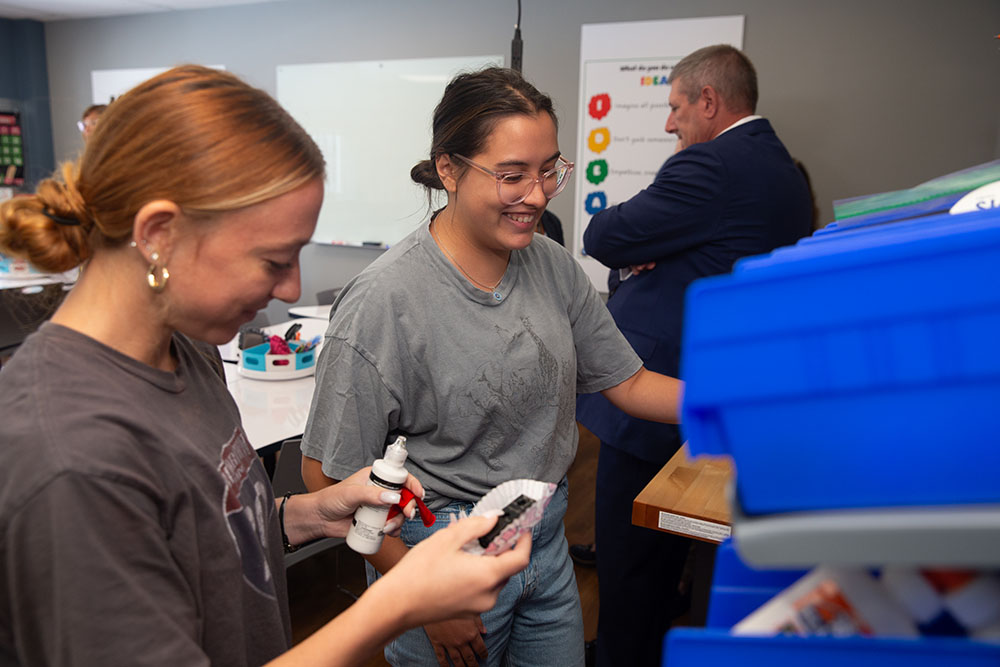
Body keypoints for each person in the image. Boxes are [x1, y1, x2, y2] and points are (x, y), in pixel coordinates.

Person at [0, 65, 532, 667]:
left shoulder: (189, 351)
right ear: (159, 234)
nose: (293, 285)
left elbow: (204, 535)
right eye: (273, 259)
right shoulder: (70, 456)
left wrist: (309, 515)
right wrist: (400, 602)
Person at [300, 67, 683, 667]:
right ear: (448, 169)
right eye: (512, 175)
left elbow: (628, 382)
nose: (538, 194)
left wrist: (738, 399)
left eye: (549, 169)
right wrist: (424, 598)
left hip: (544, 540)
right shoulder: (385, 302)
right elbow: (325, 477)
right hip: (437, 553)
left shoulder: (552, 267)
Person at [574, 44, 814, 666]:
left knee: (629, 568)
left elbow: (601, 233)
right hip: (712, 380)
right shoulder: (782, 169)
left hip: (653, 396)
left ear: (709, 101)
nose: (669, 123)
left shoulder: (710, 166)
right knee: (661, 564)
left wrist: (637, 254)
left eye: (676, 106)